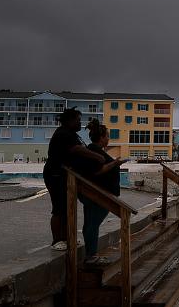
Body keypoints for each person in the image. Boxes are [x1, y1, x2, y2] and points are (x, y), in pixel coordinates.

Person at [44, 108, 106, 251]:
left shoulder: (72, 134)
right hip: (56, 175)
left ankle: (67, 237)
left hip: (67, 176)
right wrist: (97, 156)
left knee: (67, 208)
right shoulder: (63, 134)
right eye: (78, 120)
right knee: (59, 208)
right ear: (69, 121)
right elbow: (76, 150)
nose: (80, 123)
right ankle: (57, 240)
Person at [80, 119, 127, 261]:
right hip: (97, 195)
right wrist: (115, 163)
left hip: (97, 193)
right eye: (107, 136)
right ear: (101, 138)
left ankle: (91, 254)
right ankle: (91, 255)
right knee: (92, 224)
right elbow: (96, 171)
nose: (108, 138)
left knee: (90, 224)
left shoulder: (94, 150)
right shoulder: (94, 152)